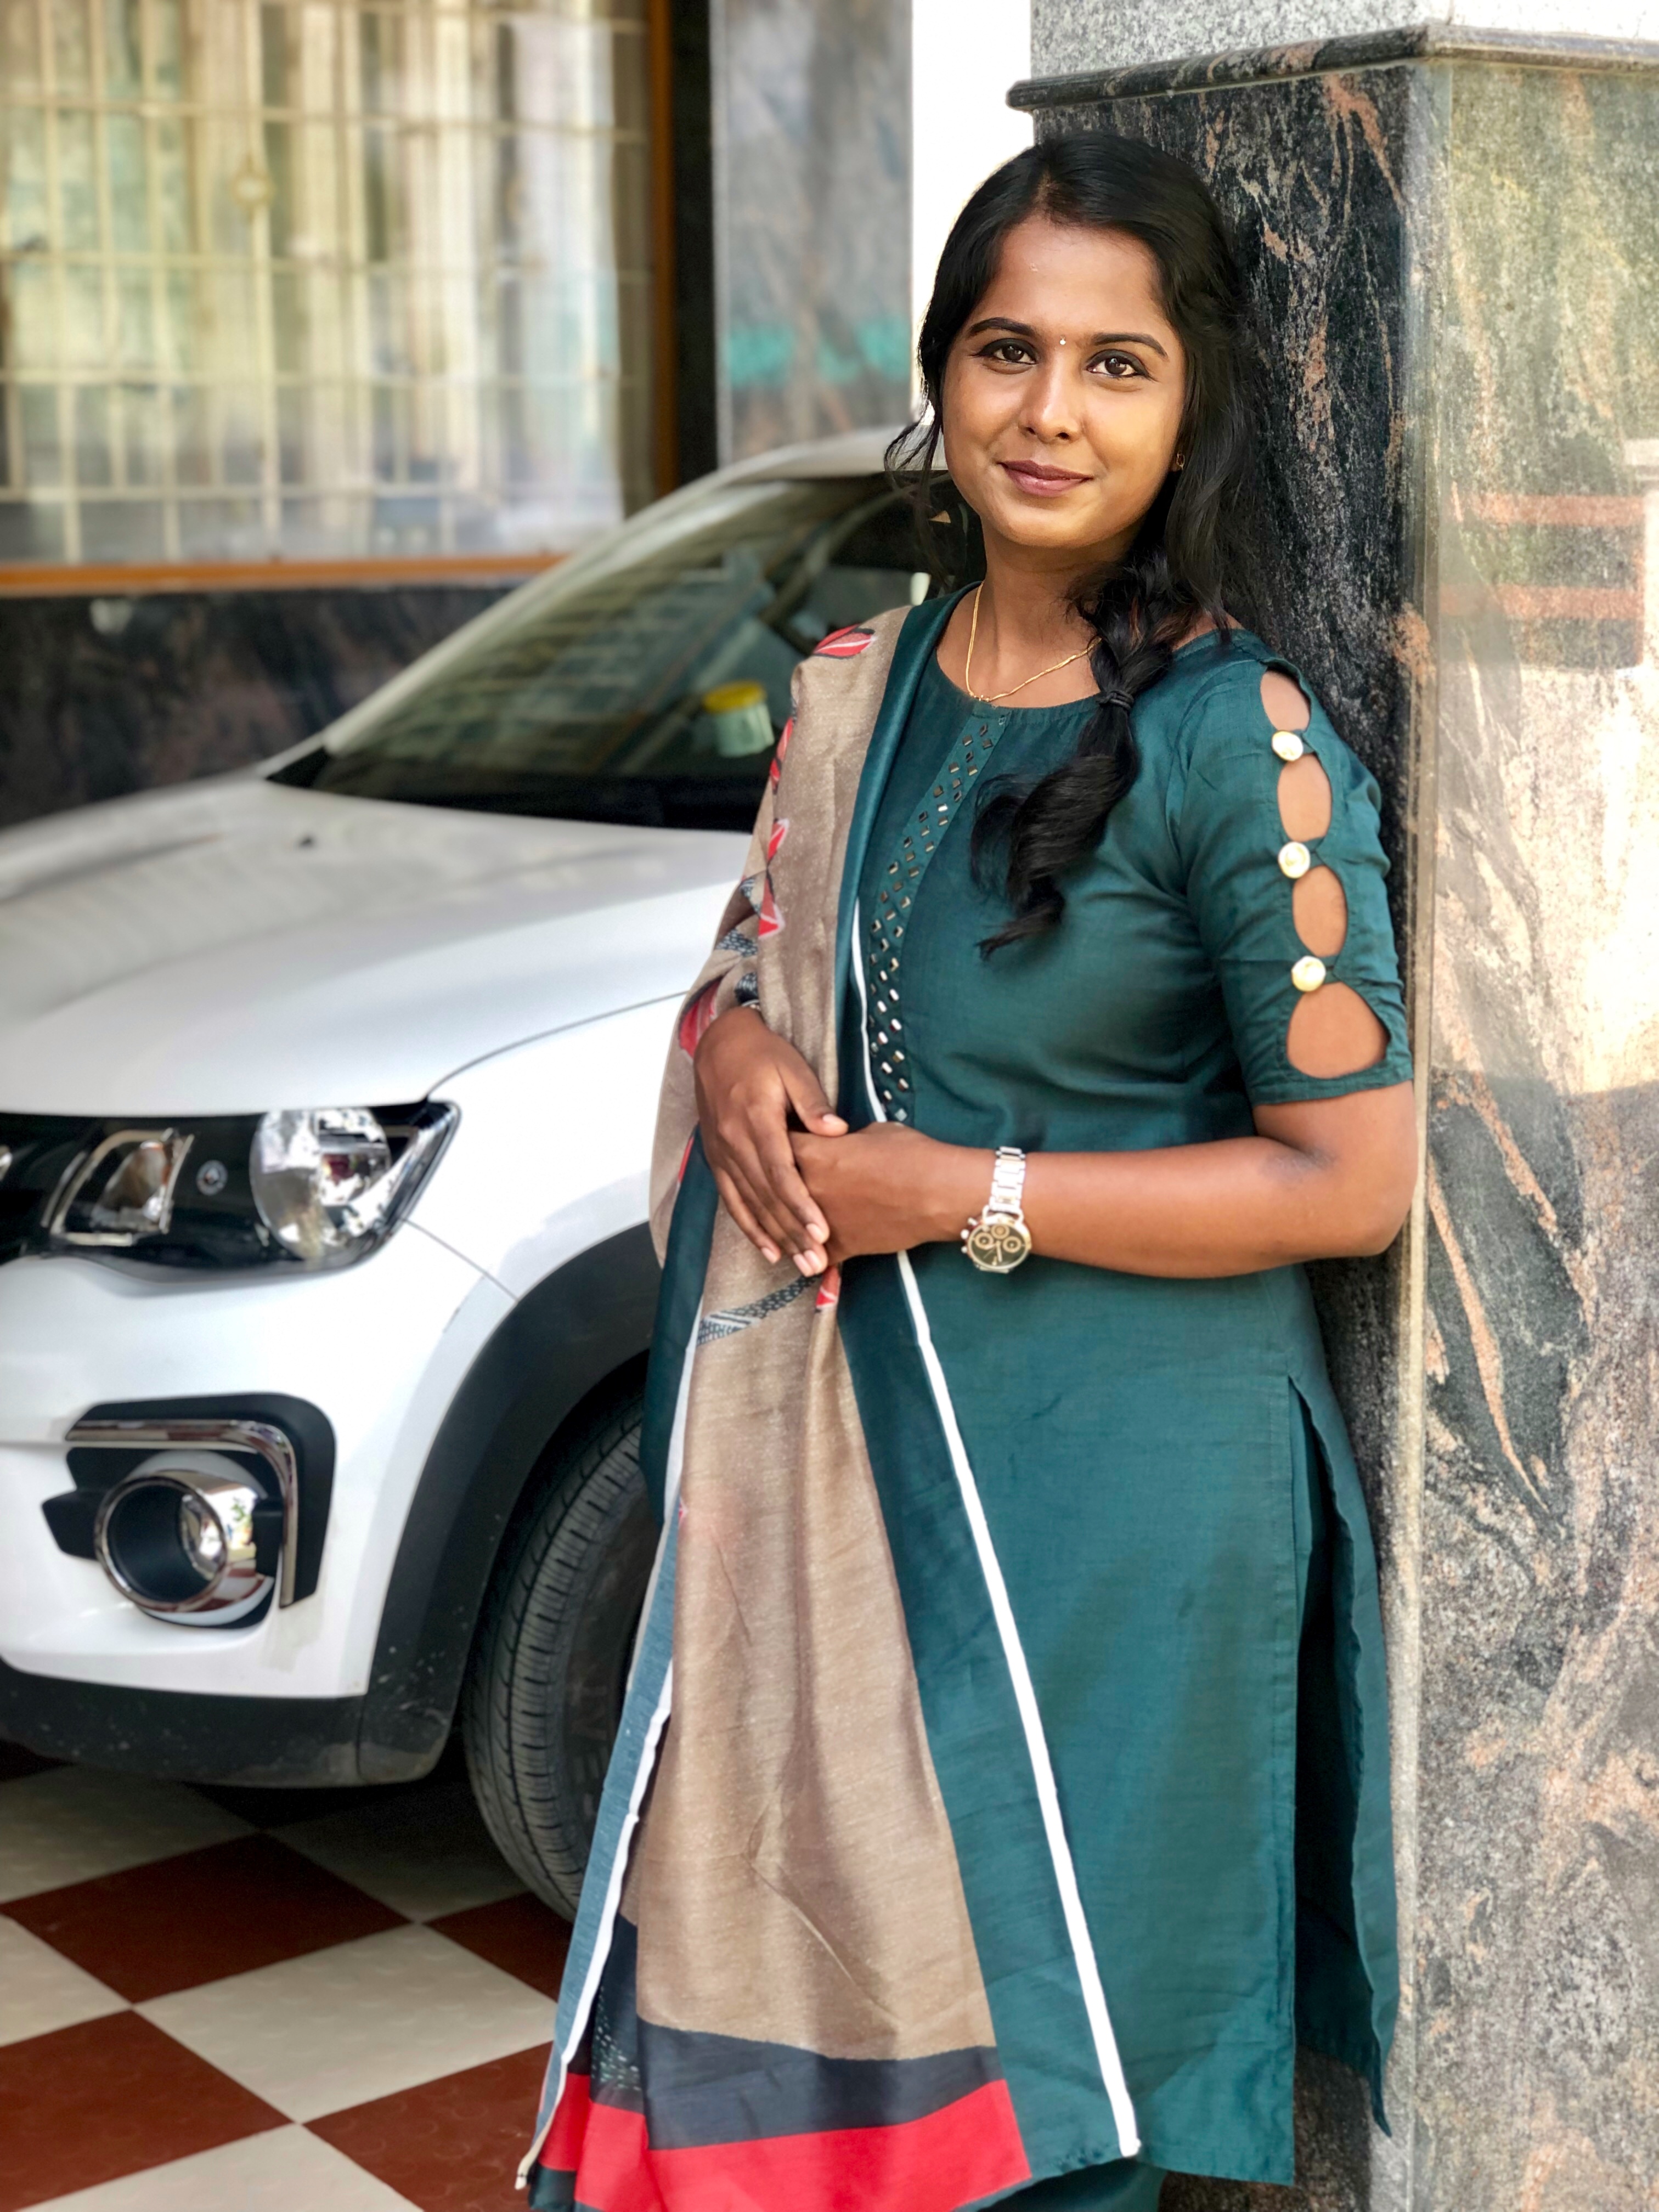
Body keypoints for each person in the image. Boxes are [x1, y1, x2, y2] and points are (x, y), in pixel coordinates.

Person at [521, 131, 1417, 2212]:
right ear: (941, 369)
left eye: (1119, 365)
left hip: (1125, 1510)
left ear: (1190, 407)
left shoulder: (1242, 741)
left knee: (1048, 2086)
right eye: (1010, 350)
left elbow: (1351, 1178)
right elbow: (761, 954)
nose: (1051, 411)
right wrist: (732, 1050)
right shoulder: (863, 691)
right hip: (851, 1475)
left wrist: (967, 1194)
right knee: (830, 2040)